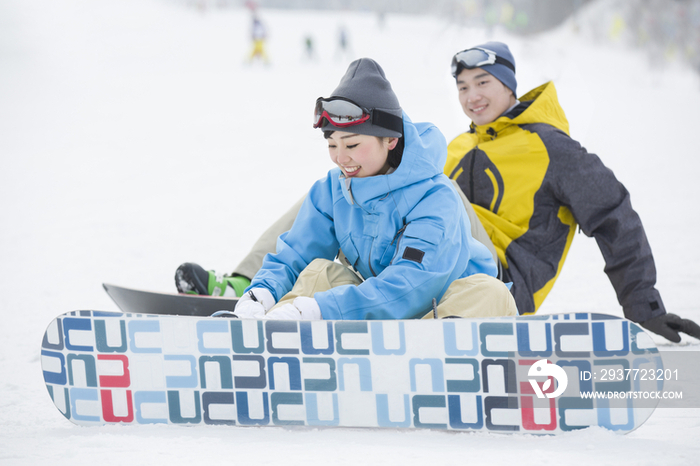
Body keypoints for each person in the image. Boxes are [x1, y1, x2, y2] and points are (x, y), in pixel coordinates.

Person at [177, 43, 700, 342]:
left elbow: (613, 215)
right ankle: (253, 288)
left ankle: (274, 296)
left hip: (488, 276)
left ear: (509, 85)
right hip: (403, 265)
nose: (471, 97)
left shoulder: (552, 150)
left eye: (483, 83)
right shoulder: (454, 147)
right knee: (343, 184)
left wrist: (644, 307)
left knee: (365, 179)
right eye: (462, 87)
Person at [224, 58, 516, 320]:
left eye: (352, 145)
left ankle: (447, 361)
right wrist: (261, 293)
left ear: (389, 140)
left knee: (490, 291)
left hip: (443, 314)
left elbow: (414, 282)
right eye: (332, 145)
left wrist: (323, 309)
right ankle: (268, 337)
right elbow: (295, 253)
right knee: (318, 273)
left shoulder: (435, 198)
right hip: (379, 317)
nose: (341, 157)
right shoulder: (333, 190)